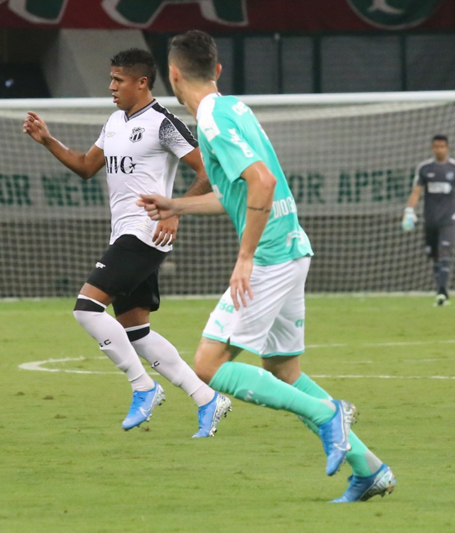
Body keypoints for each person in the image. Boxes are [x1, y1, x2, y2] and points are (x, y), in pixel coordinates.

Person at [137, 30, 395, 502]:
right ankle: (368, 468)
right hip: (293, 246)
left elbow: (262, 181)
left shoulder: (212, 121)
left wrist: (245, 257)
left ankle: (328, 415)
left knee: (209, 366)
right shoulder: (232, 108)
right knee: (283, 368)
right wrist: (177, 206)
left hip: (271, 256)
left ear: (173, 75)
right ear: (216, 70)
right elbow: (238, 195)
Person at [23, 48, 231, 438]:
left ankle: (143, 387)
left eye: (118, 80)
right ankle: (207, 399)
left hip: (146, 232)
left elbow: (207, 169)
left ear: (141, 82)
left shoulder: (163, 123)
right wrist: (48, 141)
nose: (111, 87)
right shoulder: (115, 121)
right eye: (111, 79)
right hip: (124, 233)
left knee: (86, 309)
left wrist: (174, 210)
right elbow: (87, 166)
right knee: (137, 333)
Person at [402, 135, 455, 306]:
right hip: (430, 218)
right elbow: (416, 191)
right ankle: (440, 288)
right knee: (433, 255)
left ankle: (442, 292)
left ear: (447, 148)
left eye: (442, 146)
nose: (439, 149)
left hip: (450, 219)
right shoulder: (425, 168)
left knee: (445, 252)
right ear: (432, 148)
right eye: (436, 146)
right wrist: (409, 211)